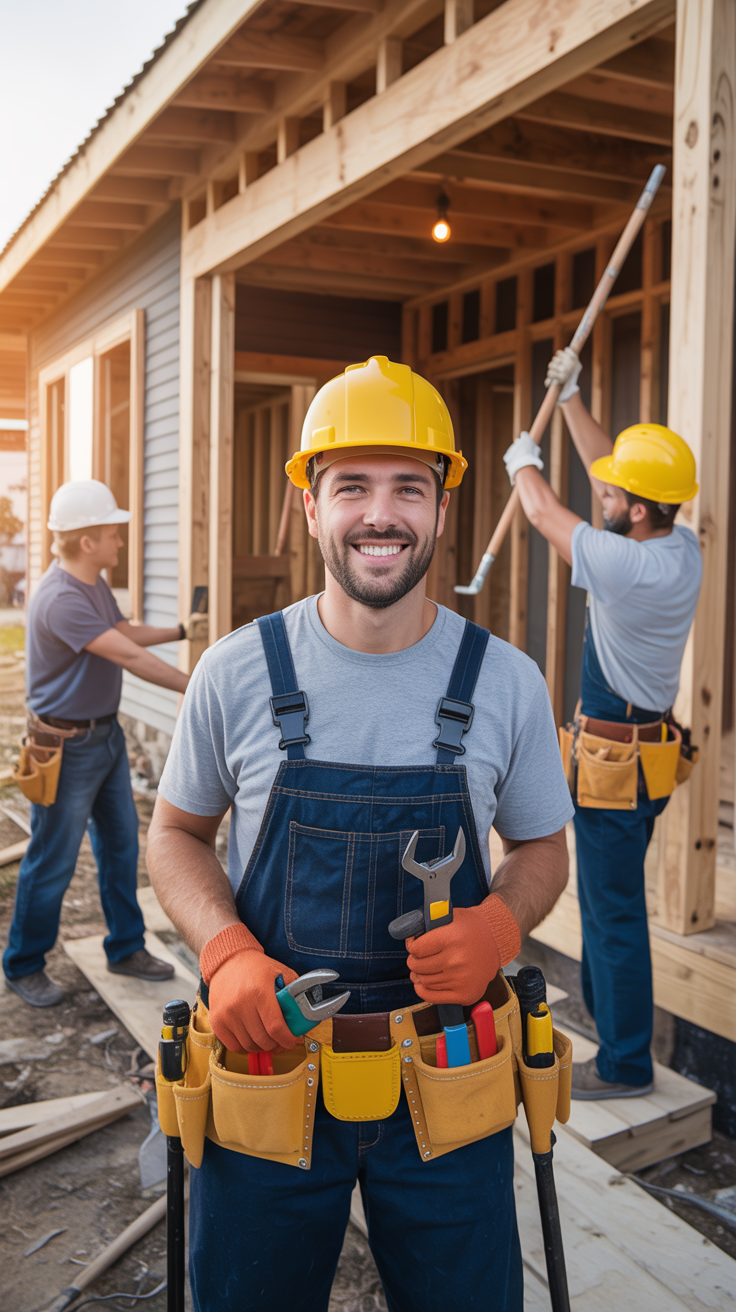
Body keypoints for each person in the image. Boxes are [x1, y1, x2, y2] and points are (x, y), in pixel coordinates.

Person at [147, 356, 573, 1312]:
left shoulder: (504, 680)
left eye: (408, 488)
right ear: (310, 506)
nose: (381, 514)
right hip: (269, 1073)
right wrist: (226, 954)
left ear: (441, 507)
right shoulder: (233, 673)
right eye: (352, 486)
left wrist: (498, 931)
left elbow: (544, 848)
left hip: (448, 1081)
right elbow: (174, 834)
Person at [502, 345, 702, 1100]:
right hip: (642, 755)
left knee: (612, 917)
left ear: (637, 511)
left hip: (616, 771)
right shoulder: (675, 545)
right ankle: (621, 1046)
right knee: (614, 906)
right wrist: (575, 399)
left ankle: (622, 1063)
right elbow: (605, 480)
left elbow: (547, 511)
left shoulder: (629, 567)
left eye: (617, 493)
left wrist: (525, 461)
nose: (605, 493)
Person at [3, 479, 205, 1007]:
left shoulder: (90, 583)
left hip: (105, 737)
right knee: (53, 860)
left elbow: (122, 630)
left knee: (120, 847)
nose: (121, 541)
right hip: (65, 749)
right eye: (113, 534)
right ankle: (23, 964)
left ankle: (125, 947)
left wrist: (182, 630)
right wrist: (198, 684)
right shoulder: (59, 597)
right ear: (86, 541)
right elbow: (126, 656)